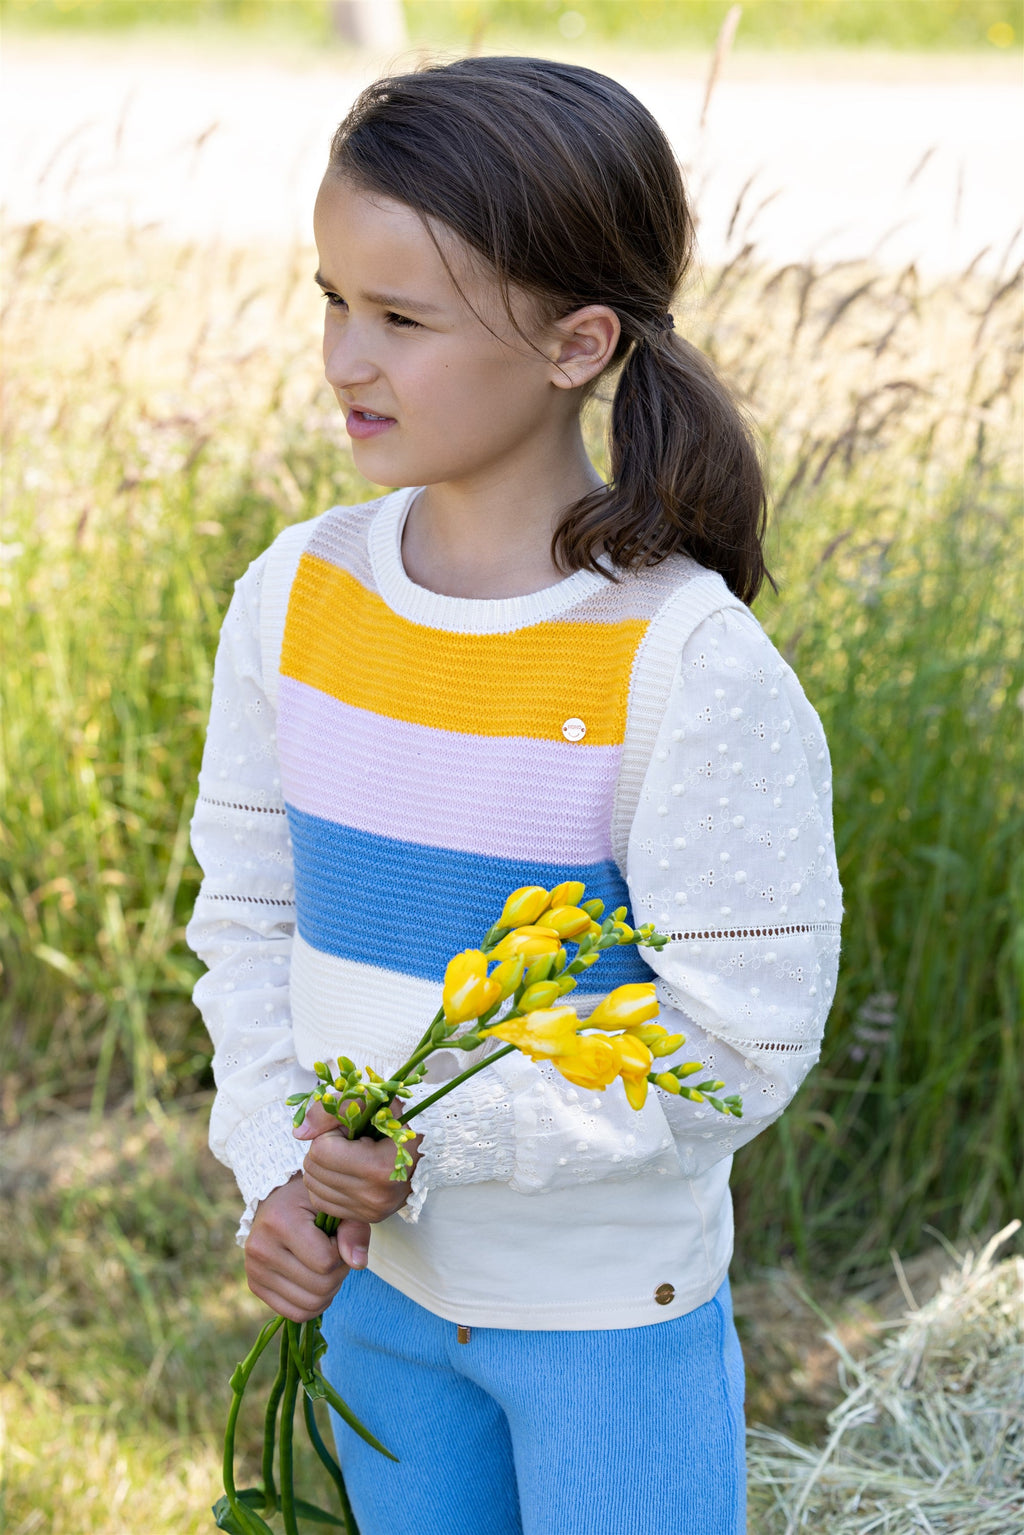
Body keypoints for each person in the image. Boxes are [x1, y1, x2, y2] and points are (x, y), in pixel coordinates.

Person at [186, 56, 842, 1535]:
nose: (345, 359)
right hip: (377, 1302)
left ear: (576, 343)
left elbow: (740, 1033)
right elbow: (250, 916)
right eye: (332, 301)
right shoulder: (296, 598)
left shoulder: (685, 661)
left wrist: (429, 1143)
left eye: (403, 320)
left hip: (606, 1326)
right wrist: (279, 1173)